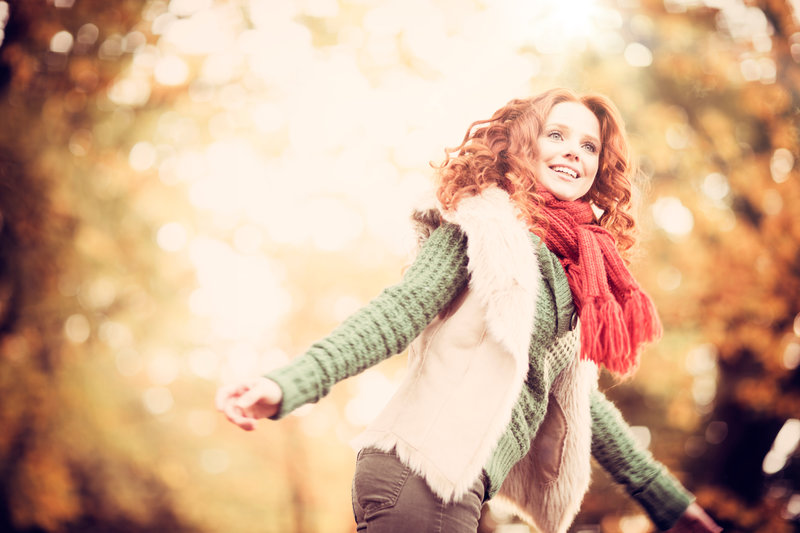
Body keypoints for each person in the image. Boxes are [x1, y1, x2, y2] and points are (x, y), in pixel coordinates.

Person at [216, 88, 722, 533]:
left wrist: (668, 504)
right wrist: (289, 384)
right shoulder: (480, 226)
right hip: (419, 473)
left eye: (589, 145)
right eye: (557, 135)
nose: (574, 151)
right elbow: (399, 311)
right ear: (521, 144)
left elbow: (577, 404)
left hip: (458, 487)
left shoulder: (572, 274)